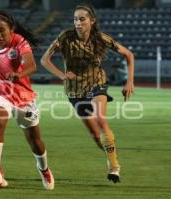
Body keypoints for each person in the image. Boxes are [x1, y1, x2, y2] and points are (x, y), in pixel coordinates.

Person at [41, 3, 134, 183]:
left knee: (101, 119)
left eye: (82, 19)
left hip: (96, 83)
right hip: (74, 91)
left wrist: (129, 81)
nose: (78, 22)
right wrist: (62, 75)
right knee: (96, 136)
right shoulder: (65, 37)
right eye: (75, 19)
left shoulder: (100, 38)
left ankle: (114, 168)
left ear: (92, 21)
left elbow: (128, 55)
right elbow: (45, 59)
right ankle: (110, 154)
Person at [0, 10, 54, 190]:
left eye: (1, 30)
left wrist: (18, 74)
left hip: (23, 96)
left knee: (34, 140)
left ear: (11, 29)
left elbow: (32, 66)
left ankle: (44, 168)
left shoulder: (19, 42)